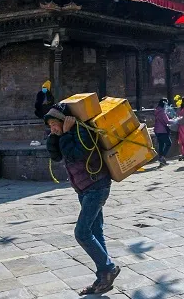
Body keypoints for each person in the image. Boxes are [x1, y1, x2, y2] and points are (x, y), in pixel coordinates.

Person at [44, 105, 121, 295]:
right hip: (84, 188)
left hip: (97, 186)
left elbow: (76, 154)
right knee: (95, 230)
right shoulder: (62, 135)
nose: (53, 128)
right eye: (50, 125)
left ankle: (108, 268)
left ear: (64, 121)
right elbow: (56, 156)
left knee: (82, 232)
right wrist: (55, 137)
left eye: (54, 124)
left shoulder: (81, 132)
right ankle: (103, 277)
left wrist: (66, 134)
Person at [153, 99, 172, 166]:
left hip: (157, 130)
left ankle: (161, 160)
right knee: (169, 143)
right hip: (162, 130)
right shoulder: (162, 112)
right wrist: (175, 121)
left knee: (161, 145)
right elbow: (167, 121)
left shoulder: (157, 110)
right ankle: (162, 157)